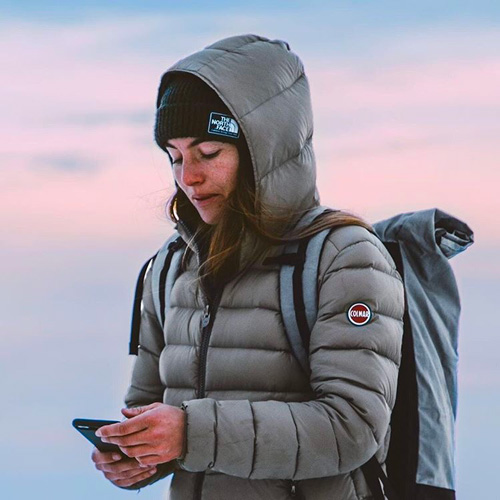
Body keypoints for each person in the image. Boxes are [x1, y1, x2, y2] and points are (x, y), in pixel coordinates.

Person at [91, 34, 404, 499]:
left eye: (208, 153)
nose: (188, 177)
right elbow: (149, 407)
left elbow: (353, 426)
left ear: (265, 149)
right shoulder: (171, 267)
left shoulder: (343, 258)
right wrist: (139, 452)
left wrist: (191, 433)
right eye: (174, 157)